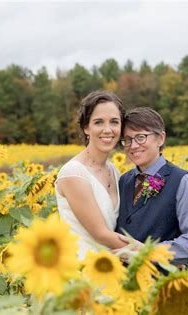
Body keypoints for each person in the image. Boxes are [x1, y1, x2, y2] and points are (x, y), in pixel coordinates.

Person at [115, 107, 188, 265]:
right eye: (127, 140)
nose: (133, 145)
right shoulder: (124, 180)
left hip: (163, 282)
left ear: (161, 138)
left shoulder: (183, 182)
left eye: (141, 137)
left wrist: (149, 252)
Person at [55, 91, 128, 259]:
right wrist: (151, 254)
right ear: (86, 128)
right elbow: (101, 234)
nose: (108, 130)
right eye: (98, 122)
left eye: (114, 122)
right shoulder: (74, 173)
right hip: (82, 272)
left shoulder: (113, 170)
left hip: (109, 270)